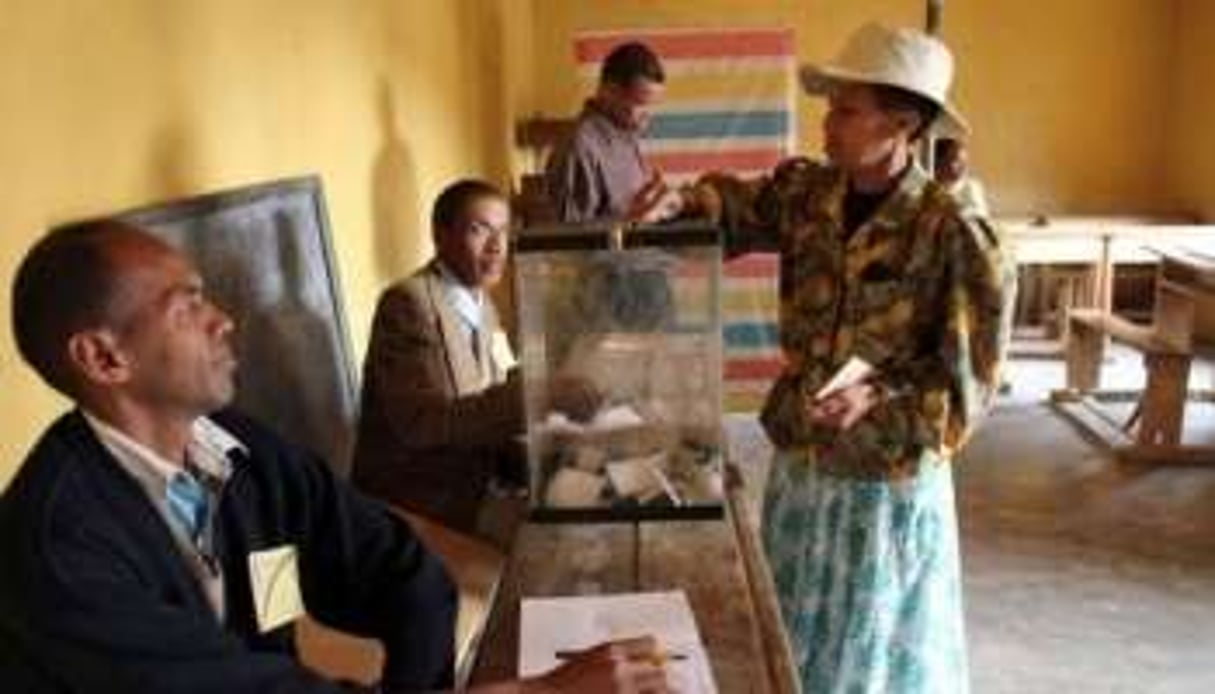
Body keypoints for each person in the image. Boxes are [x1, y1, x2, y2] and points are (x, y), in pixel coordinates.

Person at [0, 220, 667, 693]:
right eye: (188, 307)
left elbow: (406, 576)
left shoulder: (234, 447)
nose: (224, 320)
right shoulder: (55, 546)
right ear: (103, 357)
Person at [679, 23, 1015, 693]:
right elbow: (738, 208)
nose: (826, 122)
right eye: (829, 105)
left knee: (871, 643)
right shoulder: (810, 196)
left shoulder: (951, 233)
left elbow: (967, 387)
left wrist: (878, 394)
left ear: (900, 124)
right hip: (804, 463)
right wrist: (686, 198)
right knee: (791, 629)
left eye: (845, 109)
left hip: (881, 482)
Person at [352, 179, 599, 537]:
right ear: (440, 235)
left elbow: (494, 392)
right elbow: (426, 423)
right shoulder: (408, 304)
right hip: (421, 500)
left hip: (478, 484)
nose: (498, 247)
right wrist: (537, 395)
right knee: (551, 540)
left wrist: (560, 447)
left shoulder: (482, 305)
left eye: (504, 231)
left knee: (579, 505)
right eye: (479, 230)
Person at [545, 41, 680, 224]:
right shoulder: (580, 147)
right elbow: (572, 240)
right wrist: (635, 220)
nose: (648, 117)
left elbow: (626, 211)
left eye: (652, 106)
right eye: (641, 104)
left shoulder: (626, 134)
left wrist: (654, 202)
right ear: (609, 92)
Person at [934, 136, 991, 217]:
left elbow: (979, 213)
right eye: (955, 160)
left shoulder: (971, 187)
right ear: (939, 162)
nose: (962, 166)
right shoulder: (933, 186)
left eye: (964, 162)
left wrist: (958, 210)